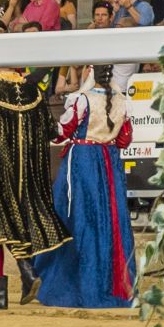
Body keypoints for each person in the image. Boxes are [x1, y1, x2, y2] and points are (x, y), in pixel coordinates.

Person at [0, 61, 69, 309]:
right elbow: (52, 132)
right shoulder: (35, 93)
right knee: (9, 223)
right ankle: (23, 276)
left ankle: (8, 285)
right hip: (29, 173)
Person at [35, 66, 136, 309]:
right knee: (110, 221)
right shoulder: (121, 100)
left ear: (89, 73)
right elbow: (124, 140)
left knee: (74, 217)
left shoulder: (82, 100)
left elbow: (61, 133)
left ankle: (71, 282)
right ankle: (115, 285)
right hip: (110, 163)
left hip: (83, 161)